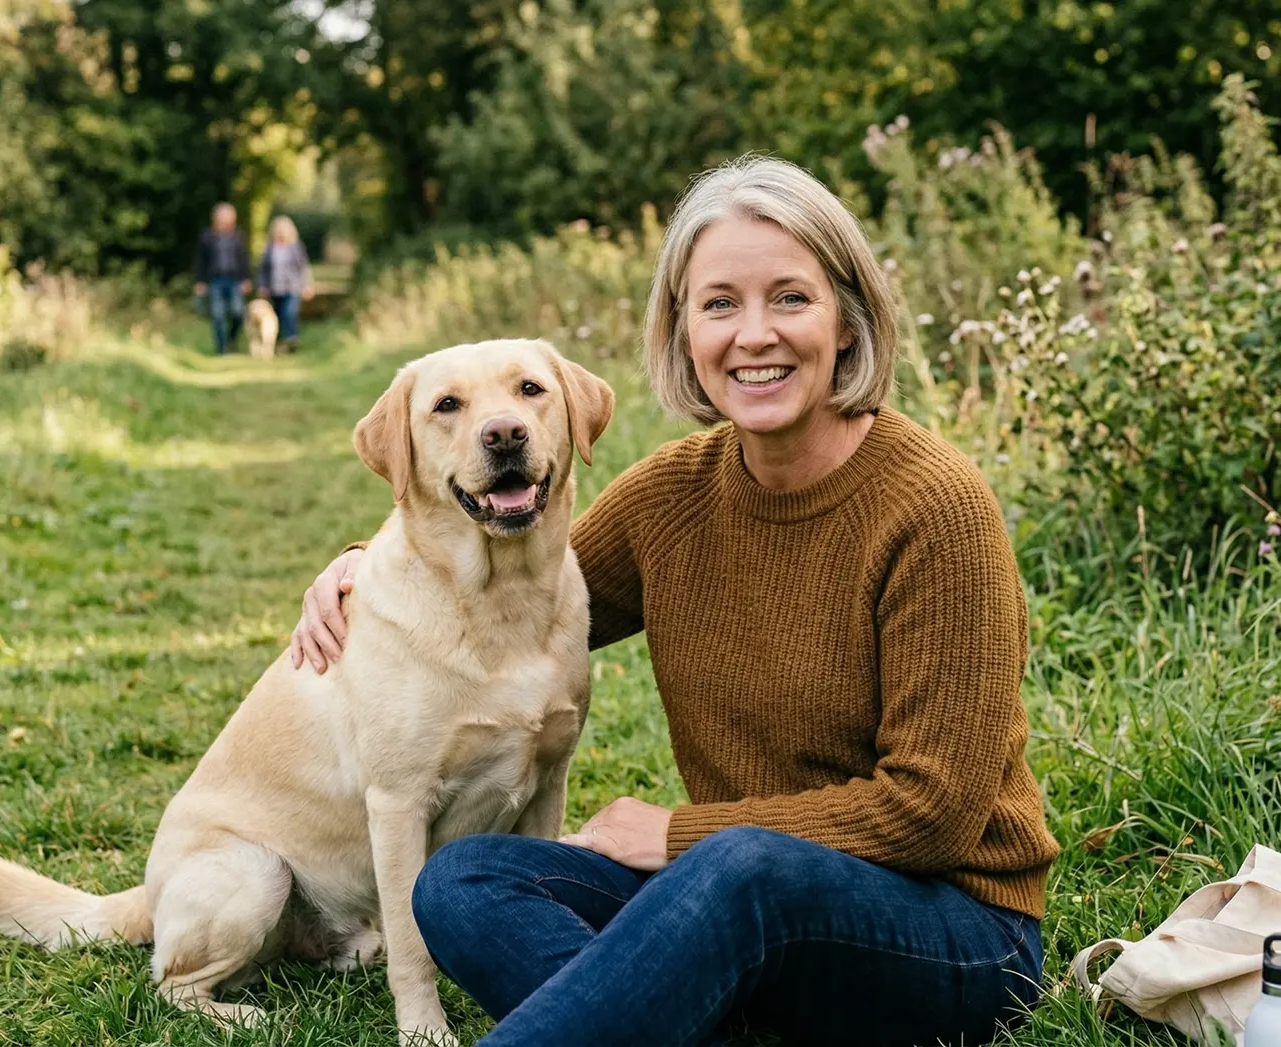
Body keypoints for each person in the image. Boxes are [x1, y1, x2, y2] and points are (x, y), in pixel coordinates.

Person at [287, 156, 1058, 1047]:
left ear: (848, 321)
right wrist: (359, 567)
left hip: (953, 933)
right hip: (739, 896)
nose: (754, 333)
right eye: (720, 303)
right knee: (462, 879)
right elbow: (520, 576)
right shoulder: (675, 498)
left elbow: (930, 813)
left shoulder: (935, 509)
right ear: (683, 328)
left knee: (743, 867)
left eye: (791, 299)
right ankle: (687, 1018)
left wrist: (681, 834)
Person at [193, 202, 254, 355]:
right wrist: (200, 281)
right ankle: (222, 348)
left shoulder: (238, 237)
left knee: (237, 313)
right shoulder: (207, 237)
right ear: (215, 219)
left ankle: (232, 340)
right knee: (217, 315)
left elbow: (244, 259)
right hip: (215, 280)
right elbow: (201, 261)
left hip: (235, 281)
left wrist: (246, 279)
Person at [258, 215, 315, 353]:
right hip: (274, 288)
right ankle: (280, 343)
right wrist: (262, 286)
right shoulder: (269, 248)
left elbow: (303, 268)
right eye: (278, 230)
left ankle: (291, 339)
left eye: (283, 230)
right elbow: (263, 269)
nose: (281, 233)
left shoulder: (296, 247)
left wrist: (307, 285)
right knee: (276, 316)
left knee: (289, 313)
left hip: (292, 287)